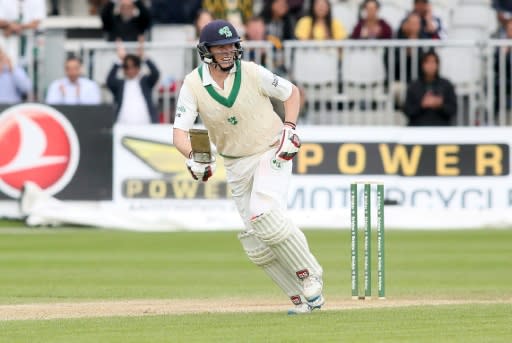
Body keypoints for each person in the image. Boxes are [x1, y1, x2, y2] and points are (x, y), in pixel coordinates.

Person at [173, 20, 324, 314]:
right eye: (221, 46)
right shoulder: (193, 83)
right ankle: (300, 297)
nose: (228, 51)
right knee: (256, 240)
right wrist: (195, 157)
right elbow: (179, 133)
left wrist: (289, 129)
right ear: (207, 51)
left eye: (231, 45)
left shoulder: (253, 72)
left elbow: (292, 93)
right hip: (234, 163)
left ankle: (310, 274)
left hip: (271, 151)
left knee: (264, 214)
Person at [107, 41, 160, 124]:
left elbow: (155, 73)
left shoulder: (145, 82)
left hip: (146, 124)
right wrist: (119, 60)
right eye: (127, 67)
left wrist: (144, 57)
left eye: (133, 67)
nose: (130, 70)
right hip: (123, 125)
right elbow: (109, 81)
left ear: (138, 68)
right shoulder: (120, 84)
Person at [404, 50, 457, 126]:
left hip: (441, 129)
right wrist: (422, 105)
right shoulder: (414, 86)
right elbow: (407, 111)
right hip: (418, 129)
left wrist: (440, 105)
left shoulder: (446, 85)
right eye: (427, 62)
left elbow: (452, 110)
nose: (431, 66)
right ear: (422, 65)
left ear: (438, 64)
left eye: (434, 62)